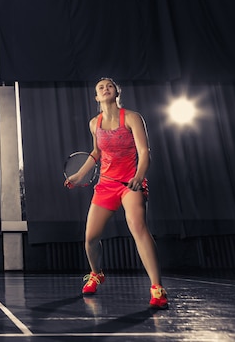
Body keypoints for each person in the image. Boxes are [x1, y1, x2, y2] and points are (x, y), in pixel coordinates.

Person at [65, 77, 168, 309]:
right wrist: (78, 176)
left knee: (138, 227)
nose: (105, 88)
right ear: (96, 97)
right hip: (106, 184)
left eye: (109, 86)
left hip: (130, 183)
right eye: (100, 87)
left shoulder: (132, 118)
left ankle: (157, 289)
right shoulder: (94, 123)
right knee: (90, 238)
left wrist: (139, 177)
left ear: (116, 92)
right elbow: (96, 152)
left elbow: (144, 151)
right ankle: (95, 273)